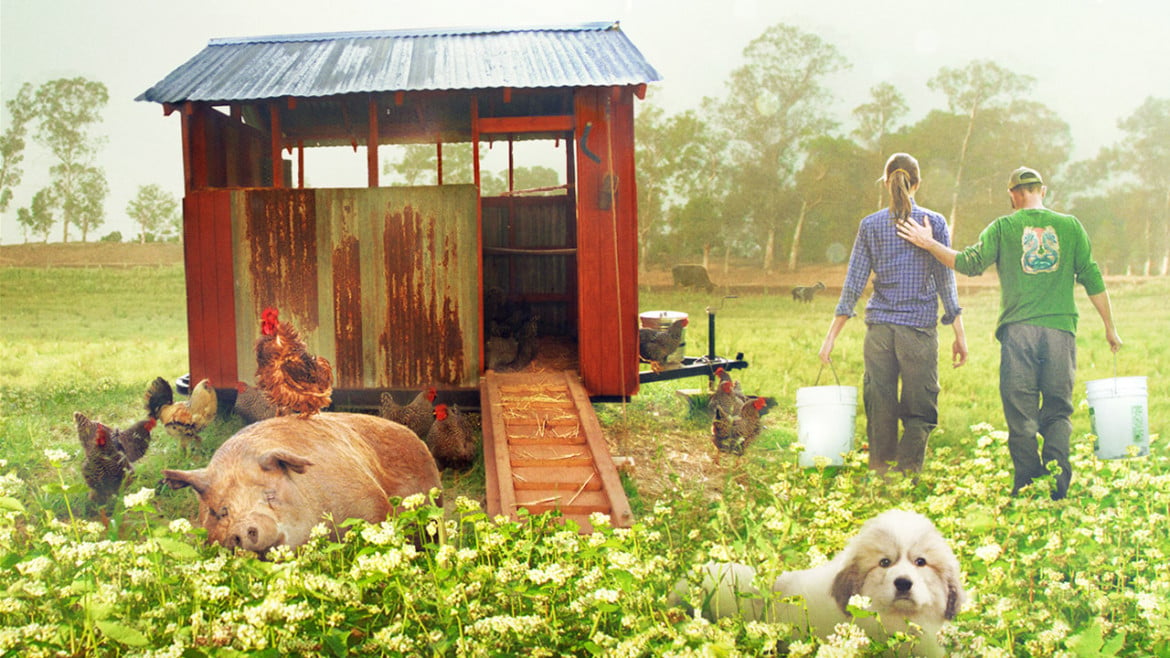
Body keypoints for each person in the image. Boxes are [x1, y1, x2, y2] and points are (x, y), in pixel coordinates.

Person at [897, 166, 1122, 500]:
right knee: (1058, 411)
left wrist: (929, 243)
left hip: (1019, 335)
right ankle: (1058, 487)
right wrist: (1110, 327)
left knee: (1021, 413)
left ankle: (1027, 487)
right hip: (1061, 333)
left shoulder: (1004, 226)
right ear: (1041, 191)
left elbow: (969, 263)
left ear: (1014, 196)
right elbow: (1092, 277)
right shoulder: (1072, 226)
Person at [819, 153, 967, 474]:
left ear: (886, 182)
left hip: (880, 334)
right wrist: (959, 334)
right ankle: (906, 475)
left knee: (880, 411)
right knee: (920, 413)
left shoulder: (870, 225)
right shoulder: (935, 223)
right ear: (918, 183)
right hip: (917, 333)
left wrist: (830, 339)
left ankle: (882, 477)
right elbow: (946, 281)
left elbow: (853, 284)